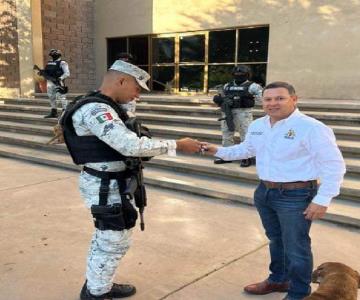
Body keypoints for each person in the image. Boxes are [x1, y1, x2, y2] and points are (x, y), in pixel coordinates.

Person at [60, 59, 202, 300]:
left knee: (109, 238)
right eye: (137, 88)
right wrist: (177, 145)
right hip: (104, 186)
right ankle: (95, 293)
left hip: (112, 182)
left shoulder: (106, 104)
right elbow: (128, 145)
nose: (139, 95)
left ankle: (99, 284)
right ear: (122, 80)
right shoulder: (96, 110)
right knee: (112, 240)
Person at [202, 81, 346, 300]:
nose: (272, 103)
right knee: (276, 240)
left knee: (296, 246)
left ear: (294, 99)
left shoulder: (312, 128)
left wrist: (322, 199)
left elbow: (334, 165)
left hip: (296, 195)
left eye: (280, 98)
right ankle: (278, 280)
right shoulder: (258, 125)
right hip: (265, 192)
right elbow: (247, 149)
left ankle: (298, 292)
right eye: (268, 99)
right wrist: (218, 150)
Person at [213, 65, 262, 167]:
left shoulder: (253, 86)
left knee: (245, 136)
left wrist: (247, 99)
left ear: (247, 75)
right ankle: (227, 156)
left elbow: (262, 99)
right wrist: (219, 100)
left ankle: (246, 157)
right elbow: (223, 98)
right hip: (228, 112)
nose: (238, 76)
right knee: (226, 135)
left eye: (241, 74)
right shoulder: (227, 86)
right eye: (236, 74)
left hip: (243, 113)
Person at [43, 49, 70, 118]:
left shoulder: (63, 63)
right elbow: (46, 71)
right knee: (51, 97)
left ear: (58, 55)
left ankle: (65, 113)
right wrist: (42, 73)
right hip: (50, 82)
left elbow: (67, 73)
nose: (52, 56)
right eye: (52, 55)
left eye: (54, 55)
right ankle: (54, 112)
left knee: (62, 97)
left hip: (58, 81)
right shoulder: (49, 63)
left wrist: (60, 78)